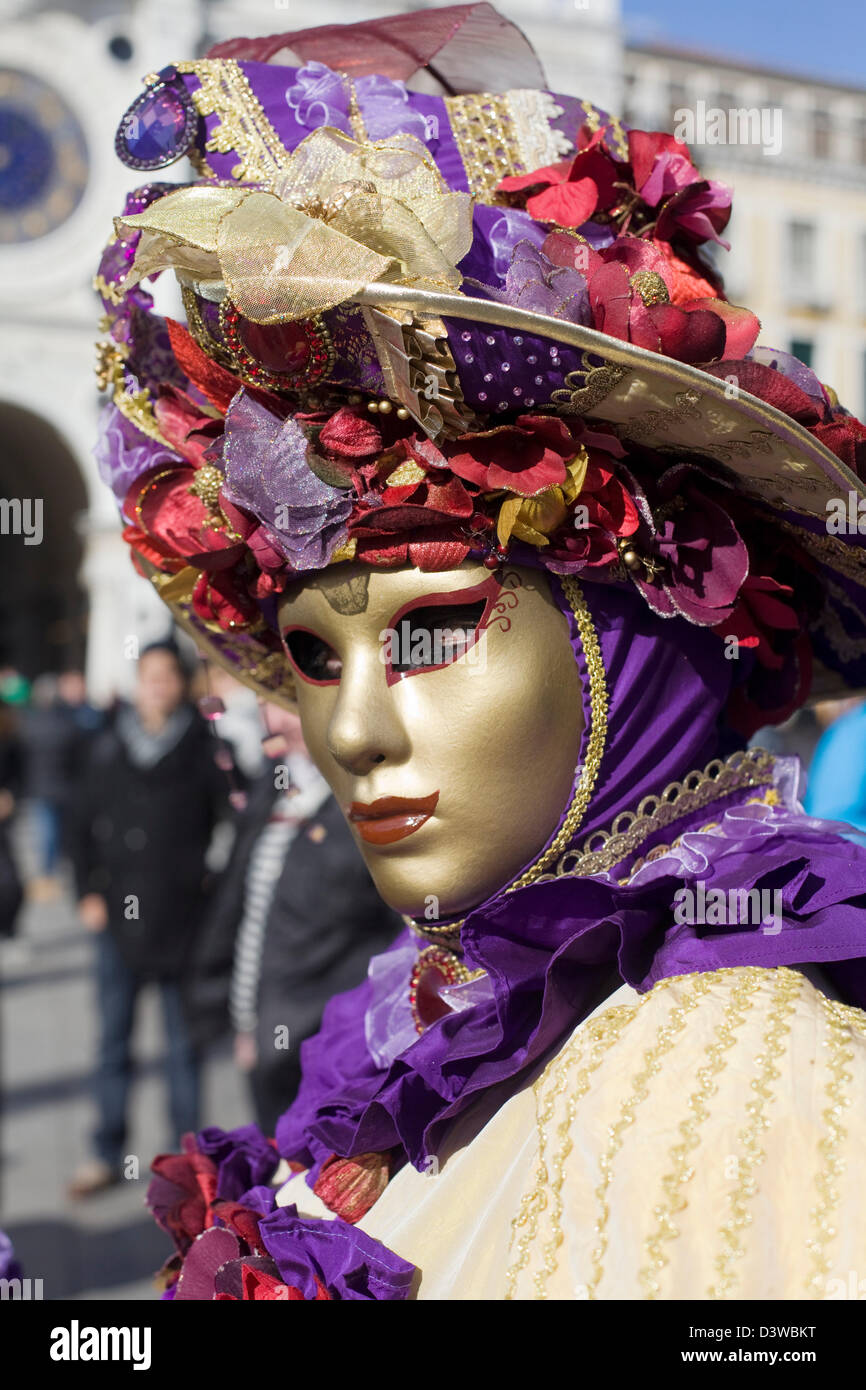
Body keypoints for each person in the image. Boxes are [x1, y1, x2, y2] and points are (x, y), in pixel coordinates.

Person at [95, 5, 866, 1298]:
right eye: (312, 655)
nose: (349, 735)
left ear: (634, 625)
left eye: (435, 627)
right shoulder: (442, 1008)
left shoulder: (754, 1087)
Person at [67, 640, 232, 1198]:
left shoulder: (204, 746)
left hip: (183, 918)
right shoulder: (108, 746)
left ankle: (190, 1162)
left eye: (167, 676)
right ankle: (105, 1150)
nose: (157, 686)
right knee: (114, 1040)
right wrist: (86, 890)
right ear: (137, 683)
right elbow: (80, 822)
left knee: (183, 1045)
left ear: (182, 683)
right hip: (117, 916)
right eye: (148, 676)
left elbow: (234, 821)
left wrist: (214, 888)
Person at [189, 705, 402, 1133]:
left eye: (290, 705)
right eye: (266, 705)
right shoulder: (276, 782)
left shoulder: (372, 796)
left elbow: (397, 932)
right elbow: (244, 900)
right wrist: (241, 1016)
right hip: (267, 1033)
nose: (276, 723)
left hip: (334, 1047)